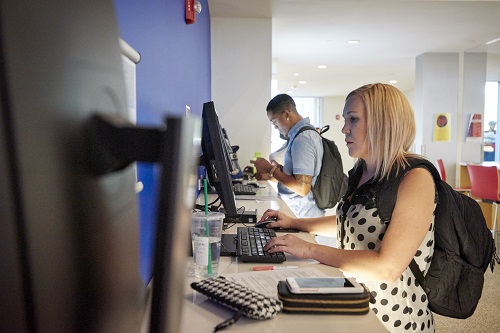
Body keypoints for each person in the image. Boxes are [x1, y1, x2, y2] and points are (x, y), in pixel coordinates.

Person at [260, 84, 436, 332]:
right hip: (355, 300)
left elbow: (386, 267)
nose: (344, 129)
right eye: (345, 120)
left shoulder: (414, 177)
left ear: (382, 123)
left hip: (392, 318)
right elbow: (348, 222)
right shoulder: (361, 170)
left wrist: (310, 249)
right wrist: (294, 222)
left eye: (353, 119)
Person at [251, 93, 325, 218]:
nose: (275, 127)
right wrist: (271, 176)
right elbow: (296, 180)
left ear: (286, 114)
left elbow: (302, 188)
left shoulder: (303, 138)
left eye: (274, 121)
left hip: (302, 215)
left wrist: (270, 169)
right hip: (297, 212)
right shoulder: (299, 136)